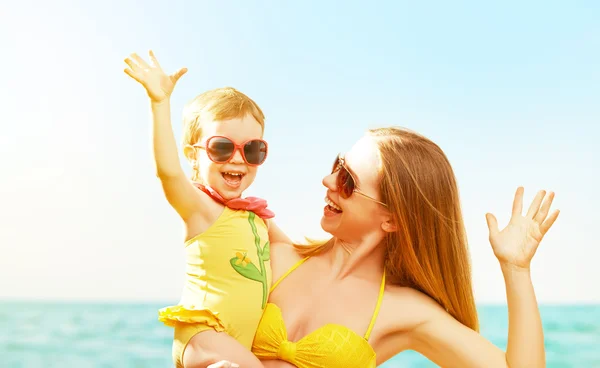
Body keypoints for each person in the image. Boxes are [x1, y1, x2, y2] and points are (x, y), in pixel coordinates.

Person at [249, 127, 557, 367]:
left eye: (347, 181)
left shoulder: (406, 311)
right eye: (337, 165)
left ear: (392, 220)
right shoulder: (276, 256)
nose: (328, 180)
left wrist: (515, 269)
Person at [123, 51, 274, 368]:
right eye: (221, 147)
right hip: (203, 335)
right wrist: (159, 103)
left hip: (233, 345)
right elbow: (168, 172)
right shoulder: (201, 207)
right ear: (193, 156)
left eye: (252, 150)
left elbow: (295, 250)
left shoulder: (255, 216)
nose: (237, 159)